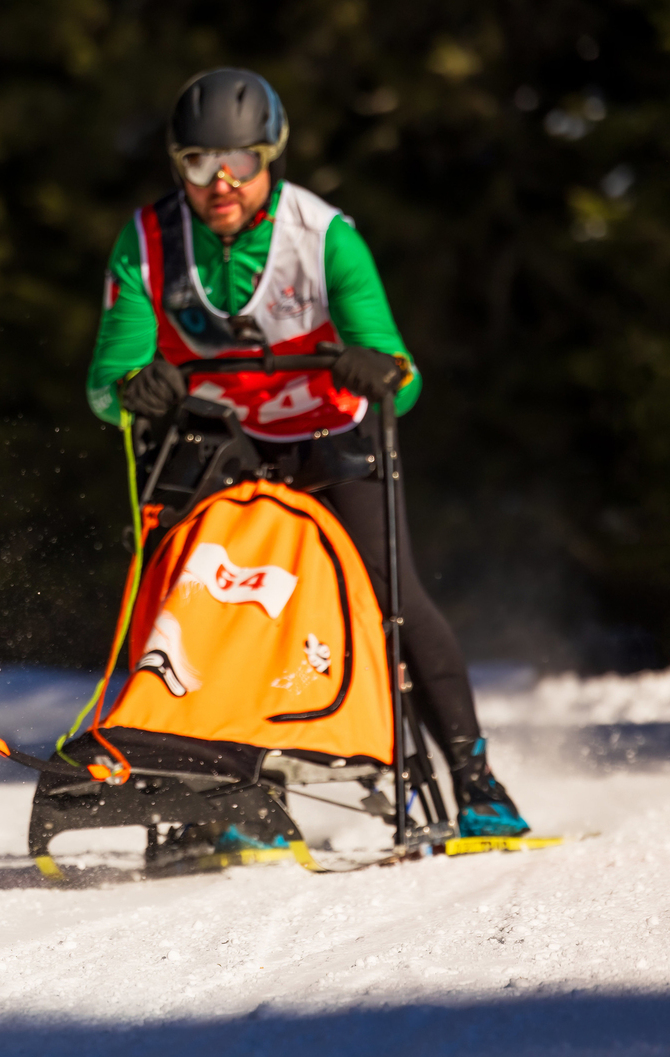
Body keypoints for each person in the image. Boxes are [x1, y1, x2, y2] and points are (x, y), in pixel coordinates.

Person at [86, 67, 528, 837]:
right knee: (199, 603)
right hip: (223, 445)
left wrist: (376, 370)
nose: (220, 182)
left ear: (270, 159)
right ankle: (213, 792)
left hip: (330, 435)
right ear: (177, 164)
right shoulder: (149, 242)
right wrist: (136, 389)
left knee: (392, 596)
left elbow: (405, 377)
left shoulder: (325, 239)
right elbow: (104, 385)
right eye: (199, 163)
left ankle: (474, 779)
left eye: (241, 163)